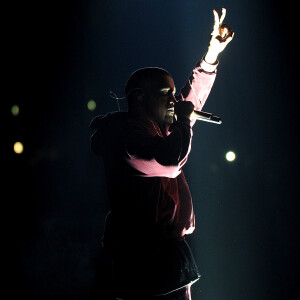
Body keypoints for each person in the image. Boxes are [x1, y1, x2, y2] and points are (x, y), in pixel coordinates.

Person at [90, 8, 234, 300]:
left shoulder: (160, 129)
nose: (173, 100)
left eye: (172, 93)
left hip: (165, 251)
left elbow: (190, 99)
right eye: (165, 94)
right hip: (143, 255)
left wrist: (210, 56)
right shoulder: (128, 137)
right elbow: (170, 162)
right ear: (140, 97)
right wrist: (183, 119)